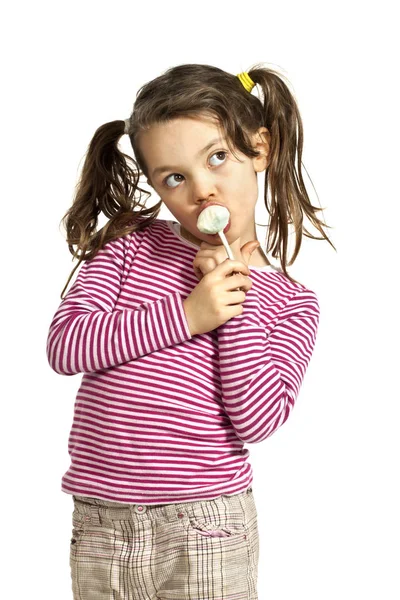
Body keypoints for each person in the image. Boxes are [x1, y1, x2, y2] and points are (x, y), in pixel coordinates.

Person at [46, 63, 335, 600]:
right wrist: (189, 315)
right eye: (174, 177)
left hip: (208, 525)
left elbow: (257, 419)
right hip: (103, 520)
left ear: (260, 149)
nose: (202, 190)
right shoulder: (132, 244)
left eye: (218, 158)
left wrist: (237, 307)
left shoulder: (293, 303)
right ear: (155, 184)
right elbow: (66, 345)